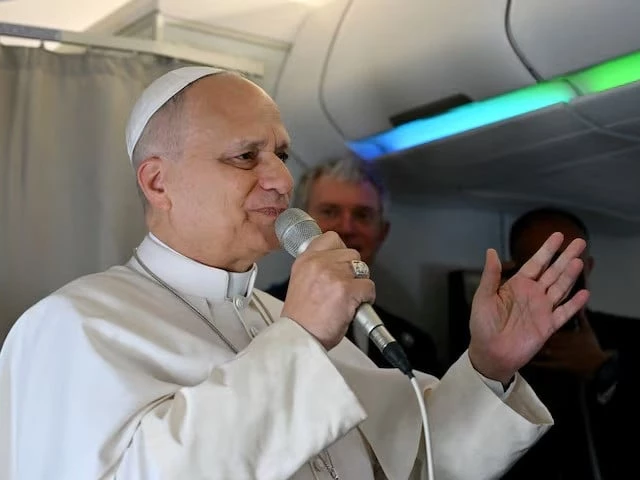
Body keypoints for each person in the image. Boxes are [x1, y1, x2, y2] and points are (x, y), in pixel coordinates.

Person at [0, 67, 590, 480]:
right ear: (158, 182)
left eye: (281, 154)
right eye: (245, 156)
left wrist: (489, 363)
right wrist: (300, 340)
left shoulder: (281, 316)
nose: (281, 181)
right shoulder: (71, 327)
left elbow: (422, 464)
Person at [266, 156, 442, 376]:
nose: (347, 228)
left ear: (382, 233)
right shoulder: (261, 316)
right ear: (300, 224)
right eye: (330, 211)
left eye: (362, 215)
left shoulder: (414, 346)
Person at [501, 207, 640, 480]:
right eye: (542, 265)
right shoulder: (494, 346)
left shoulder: (632, 336)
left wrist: (603, 371)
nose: (558, 277)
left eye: (570, 263)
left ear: (588, 267)